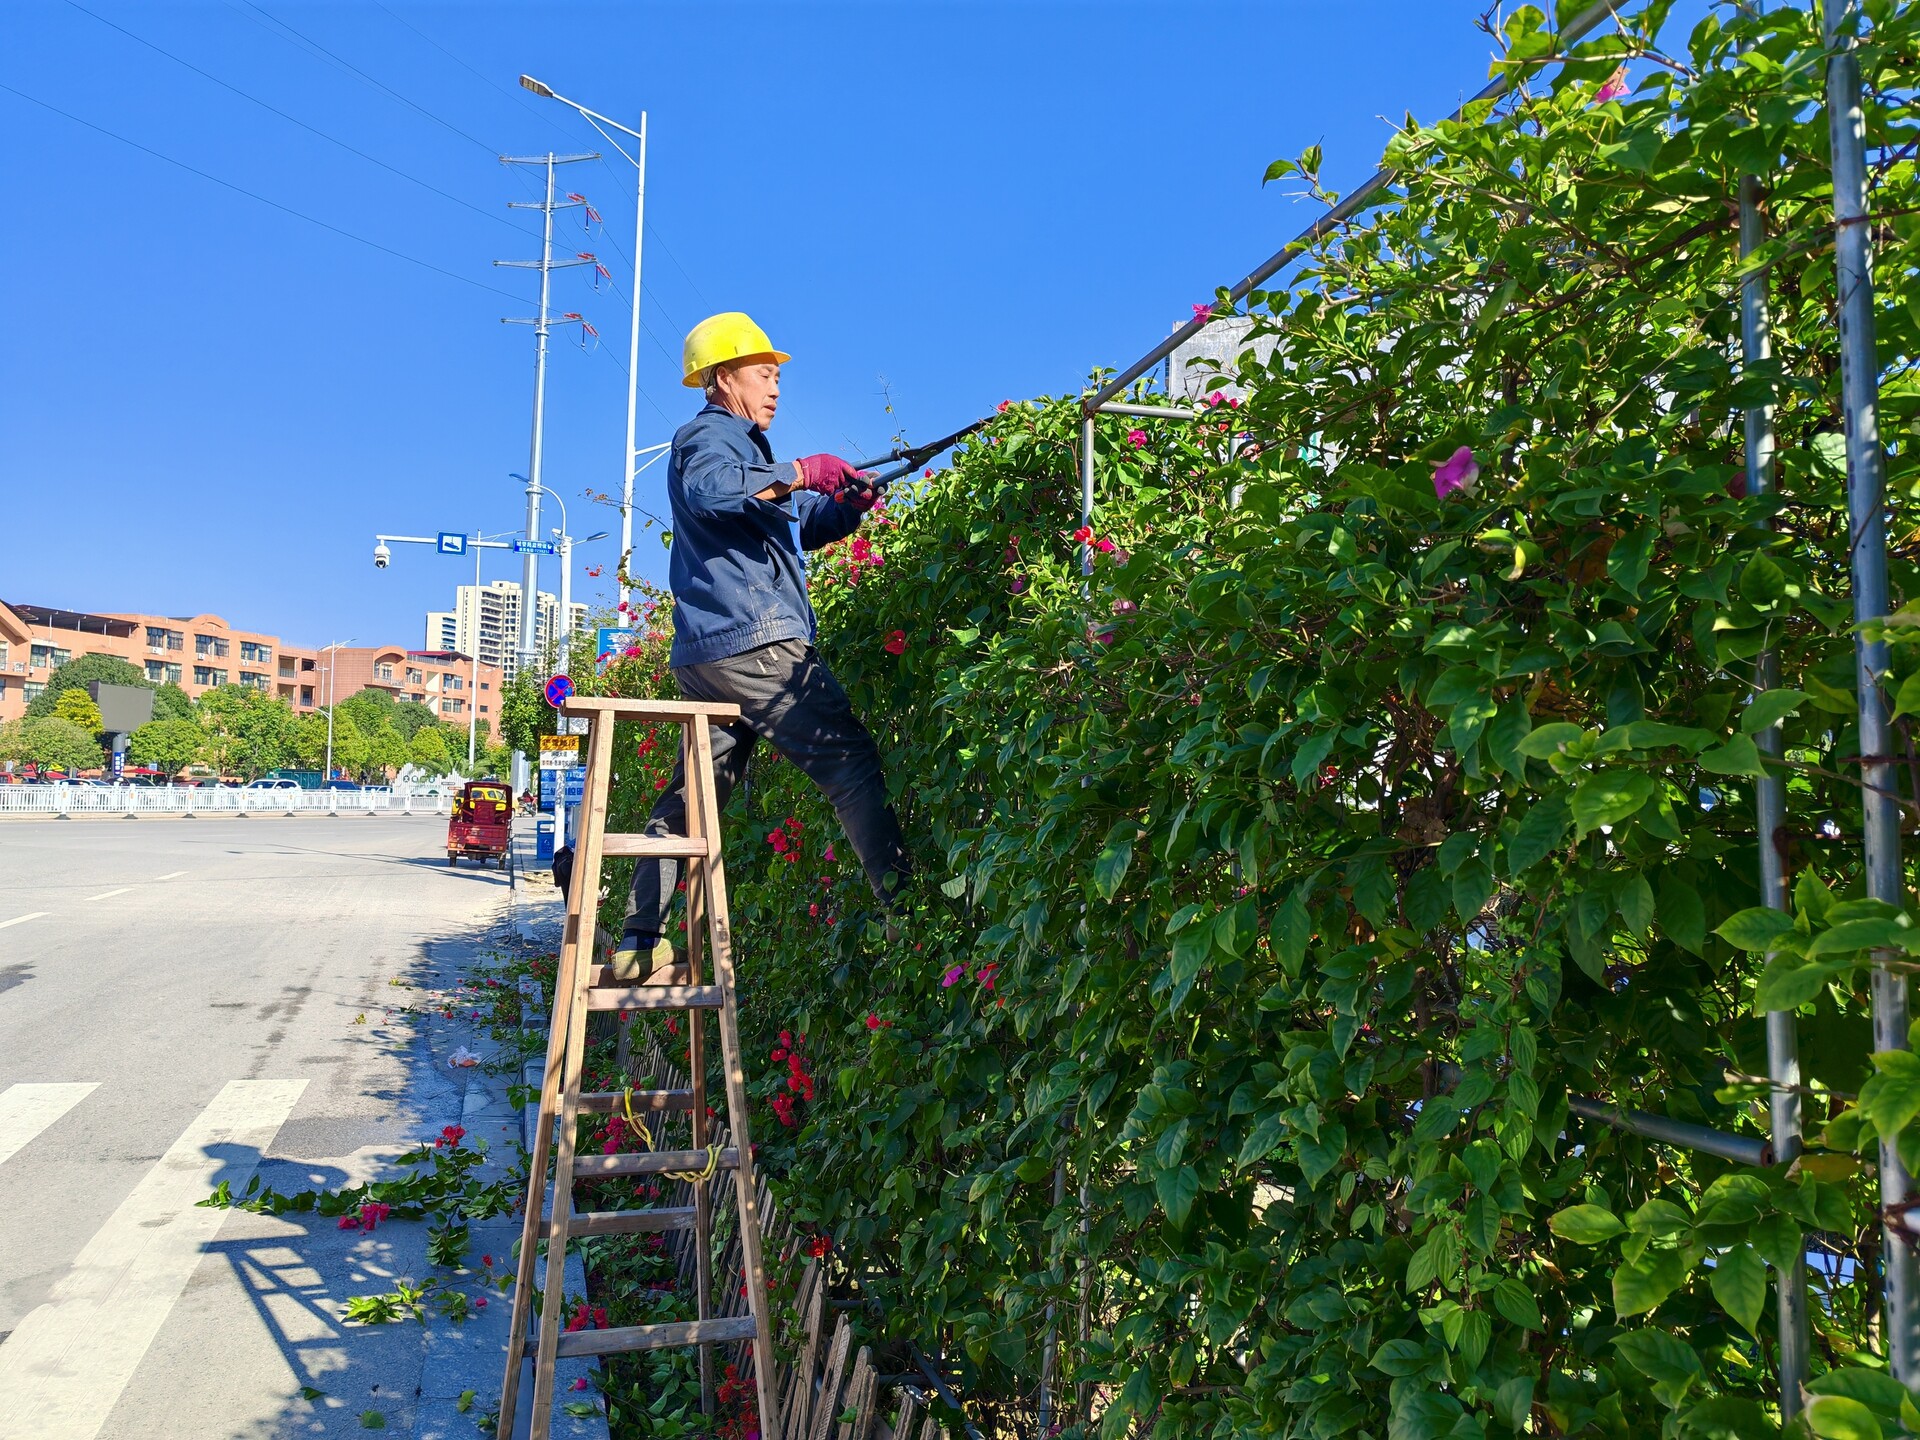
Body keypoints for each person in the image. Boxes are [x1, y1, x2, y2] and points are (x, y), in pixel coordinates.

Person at [611, 312, 910, 979]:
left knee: (695, 797)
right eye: (764, 373)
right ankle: (910, 916)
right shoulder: (709, 437)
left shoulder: (748, 453)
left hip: (707, 655)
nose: (776, 387)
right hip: (754, 644)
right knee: (850, 761)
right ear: (723, 377)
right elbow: (713, 493)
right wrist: (801, 469)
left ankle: (638, 939)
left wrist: (849, 505)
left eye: (778, 377)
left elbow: (800, 526)